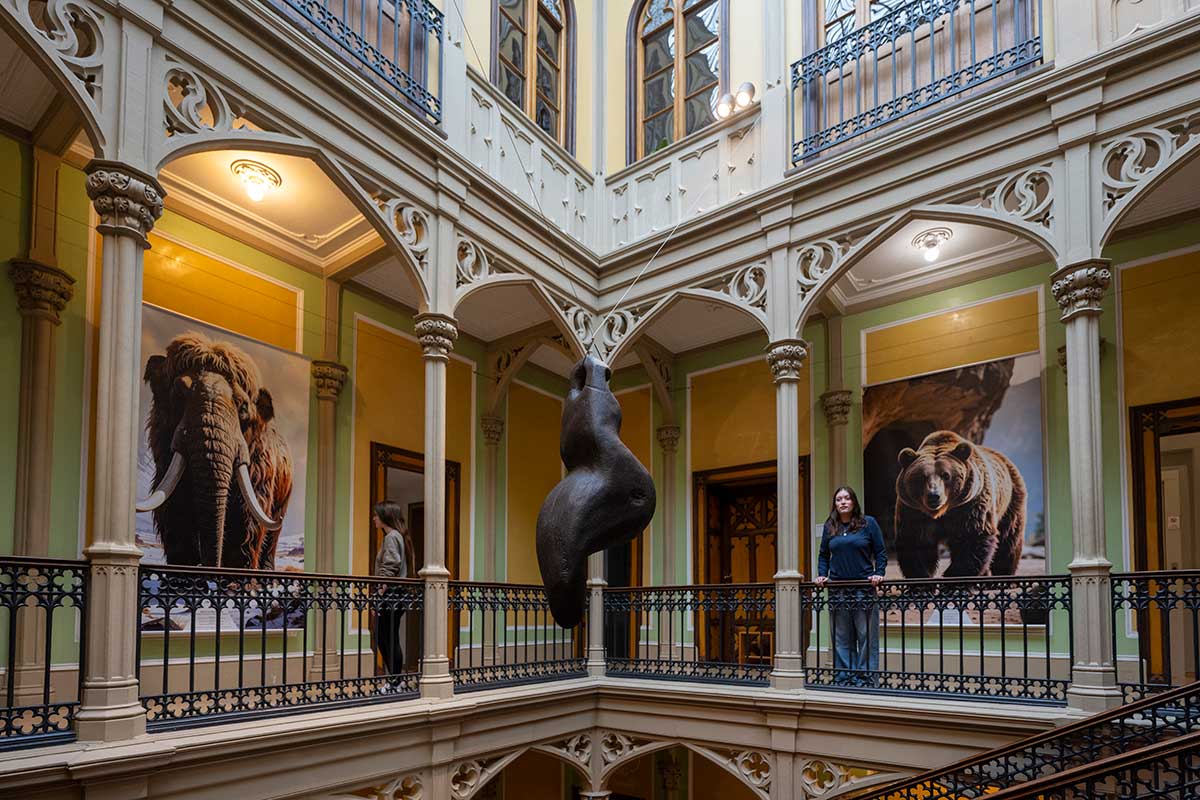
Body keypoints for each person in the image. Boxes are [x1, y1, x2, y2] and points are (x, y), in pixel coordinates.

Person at [815, 486, 887, 687]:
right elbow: (823, 555)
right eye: (839, 499)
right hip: (838, 590)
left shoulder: (868, 523)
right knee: (841, 638)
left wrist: (879, 573)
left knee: (866, 637)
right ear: (835, 504)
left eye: (847, 498)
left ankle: (865, 679)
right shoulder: (830, 527)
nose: (843, 502)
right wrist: (822, 575)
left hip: (863, 589)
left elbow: (880, 552)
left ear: (854, 502)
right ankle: (844, 678)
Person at [372, 501, 413, 677]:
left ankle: (395, 681)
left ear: (384, 517)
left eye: (376, 515)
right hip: (397, 594)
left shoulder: (391, 537)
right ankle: (395, 680)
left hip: (391, 594)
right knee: (389, 638)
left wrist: (379, 594)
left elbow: (391, 565)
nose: (374, 518)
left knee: (385, 638)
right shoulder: (398, 536)